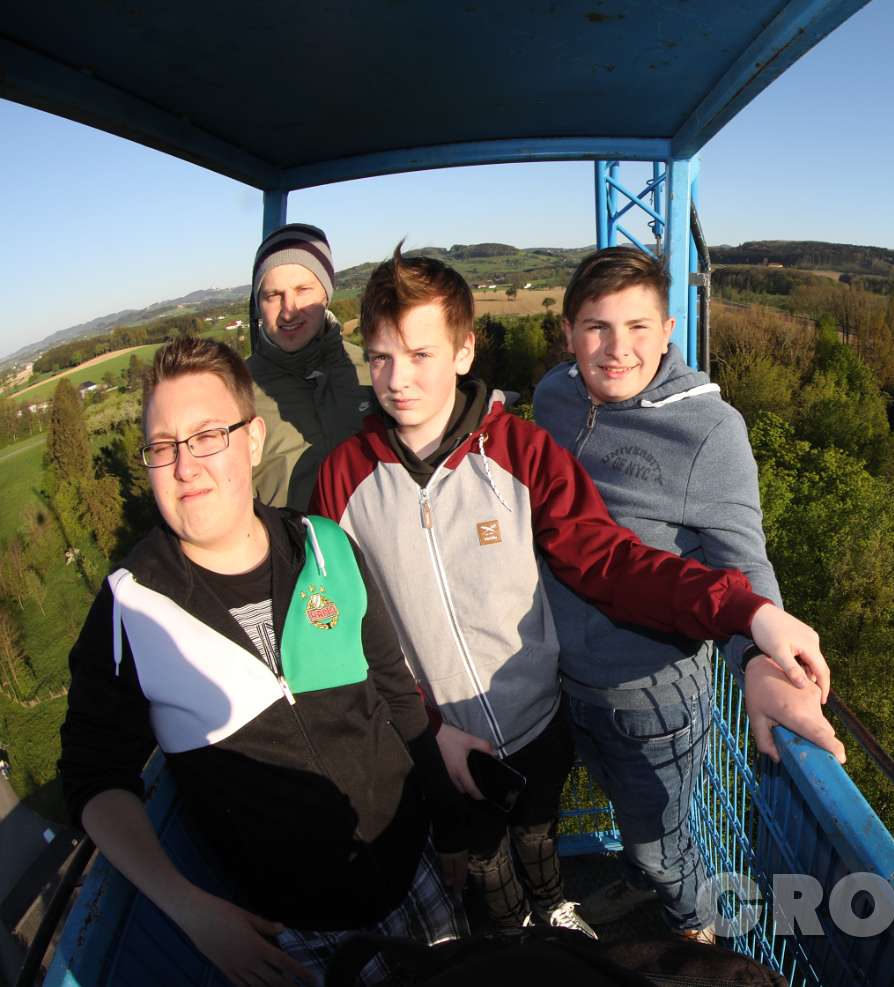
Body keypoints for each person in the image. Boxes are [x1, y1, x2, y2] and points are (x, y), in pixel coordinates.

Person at [310, 245, 833, 943]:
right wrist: (424, 729)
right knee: (485, 858)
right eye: (380, 358)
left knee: (548, 830)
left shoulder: (523, 451)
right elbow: (346, 629)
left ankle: (625, 923)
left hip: (550, 710)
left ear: (464, 351)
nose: (399, 380)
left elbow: (610, 560)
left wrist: (752, 619)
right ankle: (519, 941)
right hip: (449, 728)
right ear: (569, 335)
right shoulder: (344, 479)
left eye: (421, 355)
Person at [59, 338, 468, 987]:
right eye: (162, 446)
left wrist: (448, 824)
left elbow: (396, 691)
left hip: (414, 867)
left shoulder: (327, 546)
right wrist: (190, 909)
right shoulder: (130, 608)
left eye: (207, 436)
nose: (185, 465)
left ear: (251, 440)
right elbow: (93, 778)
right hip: (292, 936)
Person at [533, 246, 843, 938]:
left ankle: (694, 931)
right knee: (625, 818)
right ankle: (642, 887)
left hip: (653, 695)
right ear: (568, 332)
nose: (617, 349)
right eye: (597, 327)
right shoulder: (554, 396)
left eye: (638, 327)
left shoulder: (709, 430)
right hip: (565, 681)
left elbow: (744, 562)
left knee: (661, 843)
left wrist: (761, 661)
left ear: (669, 329)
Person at [248, 223, 375, 510]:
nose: (288, 310)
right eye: (273, 295)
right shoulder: (236, 393)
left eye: (303, 290)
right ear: (258, 304)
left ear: (325, 294)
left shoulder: (373, 370)